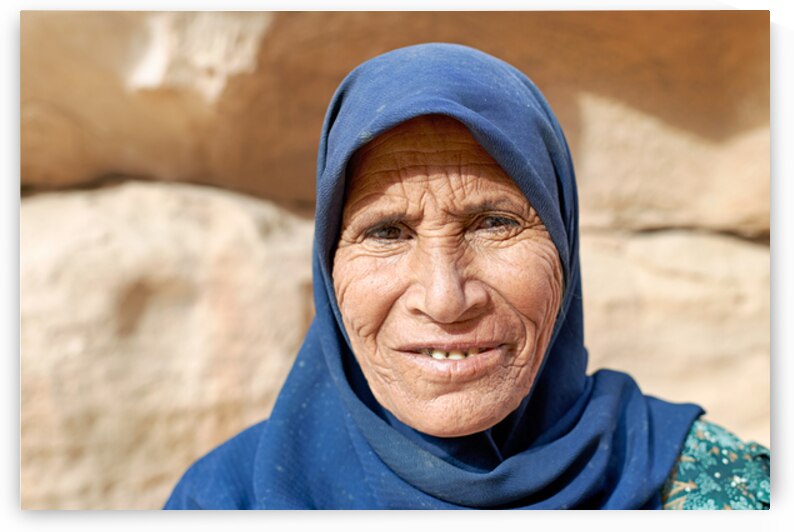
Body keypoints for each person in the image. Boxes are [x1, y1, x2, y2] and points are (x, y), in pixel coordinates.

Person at [164, 43, 769, 510]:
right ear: (328, 266)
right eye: (387, 232)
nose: (444, 298)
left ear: (563, 244)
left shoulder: (720, 491)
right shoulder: (224, 501)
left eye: (494, 223)